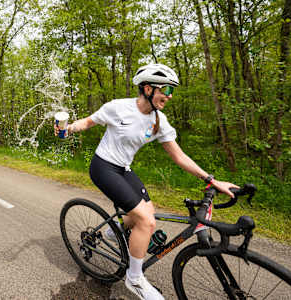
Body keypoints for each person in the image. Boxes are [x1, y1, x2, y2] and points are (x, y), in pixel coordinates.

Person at [55, 63, 238, 300]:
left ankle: (115, 232)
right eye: (167, 91)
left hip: (123, 169)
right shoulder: (118, 108)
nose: (169, 97)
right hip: (103, 167)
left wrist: (212, 180)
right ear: (148, 89)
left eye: (172, 92)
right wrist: (67, 129)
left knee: (148, 210)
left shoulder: (159, 121)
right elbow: (88, 122)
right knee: (146, 221)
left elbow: (179, 156)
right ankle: (134, 279)